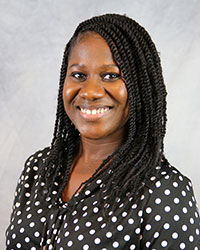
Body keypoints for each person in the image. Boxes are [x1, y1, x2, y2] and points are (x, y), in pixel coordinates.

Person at [6, 13, 200, 250]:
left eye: (111, 76)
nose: (89, 92)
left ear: (139, 85)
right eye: (78, 75)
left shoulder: (164, 192)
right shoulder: (39, 169)